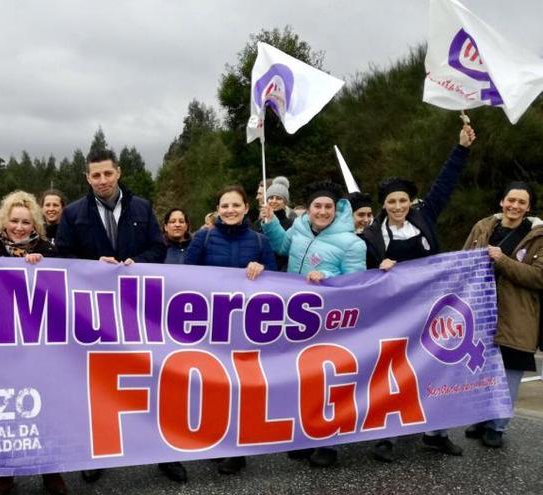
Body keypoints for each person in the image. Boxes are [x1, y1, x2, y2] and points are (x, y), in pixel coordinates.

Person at [55, 148, 177, 483]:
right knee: (95, 384)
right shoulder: (72, 213)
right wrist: (94, 268)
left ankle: (163, 453)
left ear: (118, 172)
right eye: (96, 175)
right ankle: (95, 452)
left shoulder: (142, 207)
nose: (103, 180)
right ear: (87, 178)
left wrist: (137, 263)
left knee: (150, 379)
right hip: (92, 313)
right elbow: (63, 256)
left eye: (107, 173)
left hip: (137, 310)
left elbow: (158, 248)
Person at [361, 124, 475, 462]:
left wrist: (462, 149)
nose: (398, 206)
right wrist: (377, 269)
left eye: (403, 200)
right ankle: (385, 437)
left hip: (430, 310)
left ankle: (435, 434)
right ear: (384, 204)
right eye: (392, 201)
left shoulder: (424, 217)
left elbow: (445, 183)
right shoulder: (370, 236)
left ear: (410, 201)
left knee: (436, 369)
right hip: (392, 315)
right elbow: (361, 278)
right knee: (388, 373)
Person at [261, 180, 366, 467]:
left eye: (327, 207)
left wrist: (329, 280)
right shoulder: (300, 226)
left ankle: (329, 443)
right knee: (302, 380)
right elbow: (282, 246)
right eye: (317, 206)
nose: (322, 211)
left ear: (336, 209)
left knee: (328, 382)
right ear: (308, 209)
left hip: (331, 322)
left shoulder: (352, 243)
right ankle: (306, 437)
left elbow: (356, 286)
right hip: (299, 319)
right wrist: (271, 224)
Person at [0, 191, 65, 495]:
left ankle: (50, 471)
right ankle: (5, 473)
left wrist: (43, 267)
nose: (20, 227)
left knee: (47, 409)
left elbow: (65, 288)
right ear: (4, 221)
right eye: (14, 221)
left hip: (40, 343)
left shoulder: (48, 249)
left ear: (35, 222)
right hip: (2, 344)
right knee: (6, 409)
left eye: (26, 222)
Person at [184, 185, 277, 475]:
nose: (230, 210)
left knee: (242, 387)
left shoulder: (260, 241)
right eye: (225, 206)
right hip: (212, 325)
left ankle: (237, 448)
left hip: (247, 328)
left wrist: (262, 270)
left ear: (246, 208)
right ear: (218, 209)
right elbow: (184, 275)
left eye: (236, 205)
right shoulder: (203, 237)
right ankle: (215, 440)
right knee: (213, 385)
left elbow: (277, 280)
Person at [462, 182, 542, 448]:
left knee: (509, 374)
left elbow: (538, 277)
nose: (515, 206)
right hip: (480, 311)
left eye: (521, 202)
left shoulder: (538, 236)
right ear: (502, 202)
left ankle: (498, 425)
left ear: (529, 207)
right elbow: (463, 261)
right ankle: (481, 418)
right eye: (511, 200)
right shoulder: (483, 227)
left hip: (518, 315)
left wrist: (503, 260)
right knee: (481, 371)